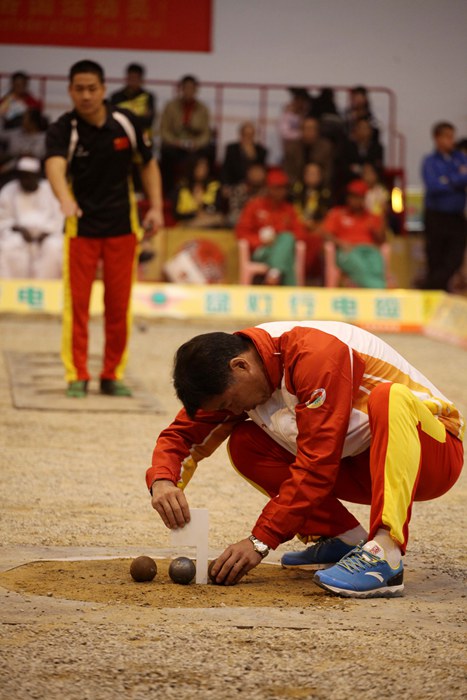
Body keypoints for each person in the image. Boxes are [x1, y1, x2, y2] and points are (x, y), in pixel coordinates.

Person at [147, 322, 464, 598]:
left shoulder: (315, 353)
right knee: (246, 444)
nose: (230, 410)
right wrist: (163, 479)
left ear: (240, 366)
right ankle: (344, 540)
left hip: (432, 458)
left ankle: (386, 554)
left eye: (230, 402)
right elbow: (182, 436)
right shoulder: (229, 369)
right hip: (360, 465)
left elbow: (317, 463)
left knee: (388, 398)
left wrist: (260, 541)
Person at [45, 59, 163, 398]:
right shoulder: (63, 128)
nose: (86, 95)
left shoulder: (126, 122)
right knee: (77, 306)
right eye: (79, 89)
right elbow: (54, 165)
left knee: (118, 306)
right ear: (70, 91)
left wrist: (155, 206)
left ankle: (112, 374)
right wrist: (64, 198)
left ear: (103, 89)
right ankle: (77, 375)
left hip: (122, 229)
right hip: (80, 227)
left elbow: (149, 164)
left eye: (92, 88)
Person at [235, 167, 304, 286]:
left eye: (283, 188)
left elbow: (300, 233)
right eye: (276, 188)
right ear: (267, 188)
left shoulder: (289, 209)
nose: (280, 192)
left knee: (287, 239)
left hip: (282, 250)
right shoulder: (254, 206)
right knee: (287, 256)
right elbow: (241, 232)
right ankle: (290, 293)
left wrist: (278, 239)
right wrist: (262, 240)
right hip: (261, 250)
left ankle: (274, 274)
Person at [421, 121, 467, 291]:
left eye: (452, 136)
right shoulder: (430, 161)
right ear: (437, 138)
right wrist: (457, 179)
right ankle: (435, 292)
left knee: (454, 258)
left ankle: (430, 288)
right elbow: (434, 186)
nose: (451, 140)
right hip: (436, 215)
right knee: (435, 258)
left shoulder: (461, 158)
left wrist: (447, 180)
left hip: (456, 216)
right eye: (447, 136)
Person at [0, 156, 63, 278]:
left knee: (54, 247)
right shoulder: (9, 190)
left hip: (47, 236)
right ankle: (10, 290)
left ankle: (47, 290)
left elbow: (59, 219)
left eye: (29, 176)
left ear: (37, 176)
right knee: (8, 246)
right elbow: (3, 220)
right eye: (23, 176)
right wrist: (18, 229)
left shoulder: (50, 190)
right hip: (19, 235)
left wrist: (46, 232)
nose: (26, 180)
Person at [322, 179, 386, 288]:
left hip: (368, 251)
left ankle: (375, 287)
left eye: (358, 197)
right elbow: (325, 234)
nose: (354, 200)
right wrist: (340, 243)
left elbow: (382, 240)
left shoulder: (372, 216)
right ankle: (378, 289)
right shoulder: (338, 214)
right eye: (352, 196)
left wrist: (381, 220)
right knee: (358, 264)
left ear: (364, 198)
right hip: (348, 251)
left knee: (376, 262)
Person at [159, 75, 211, 194]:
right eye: (186, 88)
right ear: (181, 89)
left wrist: (196, 143)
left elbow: (206, 133)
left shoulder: (203, 109)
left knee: (205, 153)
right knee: (166, 153)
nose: (188, 91)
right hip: (175, 145)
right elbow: (164, 130)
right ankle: (169, 192)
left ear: (196, 90)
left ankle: (199, 191)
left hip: (194, 146)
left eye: (191, 88)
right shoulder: (170, 106)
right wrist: (174, 142)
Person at [173, 155, 224, 228]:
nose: (203, 170)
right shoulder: (182, 187)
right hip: (188, 222)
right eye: (199, 167)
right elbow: (177, 214)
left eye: (205, 167)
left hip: (210, 220)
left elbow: (218, 208)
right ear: (192, 168)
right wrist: (195, 214)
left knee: (218, 219)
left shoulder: (214, 185)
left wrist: (202, 205)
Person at [110, 63, 156, 144]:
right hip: (121, 135)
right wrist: (139, 116)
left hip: (143, 136)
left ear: (141, 80)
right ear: (126, 78)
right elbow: (113, 120)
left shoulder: (148, 97)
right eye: (131, 78)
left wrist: (126, 115)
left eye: (136, 78)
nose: (133, 81)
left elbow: (149, 121)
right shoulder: (116, 97)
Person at [283, 117, 334, 188]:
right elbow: (288, 170)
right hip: (295, 184)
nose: (309, 131)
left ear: (317, 131)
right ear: (301, 130)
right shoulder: (292, 147)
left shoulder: (325, 147)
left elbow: (328, 170)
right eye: (306, 128)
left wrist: (318, 181)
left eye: (312, 128)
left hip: (320, 185)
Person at [221, 121, 268, 188]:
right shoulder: (232, 149)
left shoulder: (261, 151)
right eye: (245, 134)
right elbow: (225, 169)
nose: (248, 137)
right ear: (240, 134)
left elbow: (262, 171)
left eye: (251, 135)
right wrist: (225, 185)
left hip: (254, 185)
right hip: (235, 183)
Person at [225, 161, 266, 227]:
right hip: (244, 219)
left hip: (263, 220)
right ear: (248, 173)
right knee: (232, 218)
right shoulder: (239, 189)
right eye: (254, 172)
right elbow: (234, 209)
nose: (256, 175)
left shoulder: (269, 191)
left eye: (259, 172)